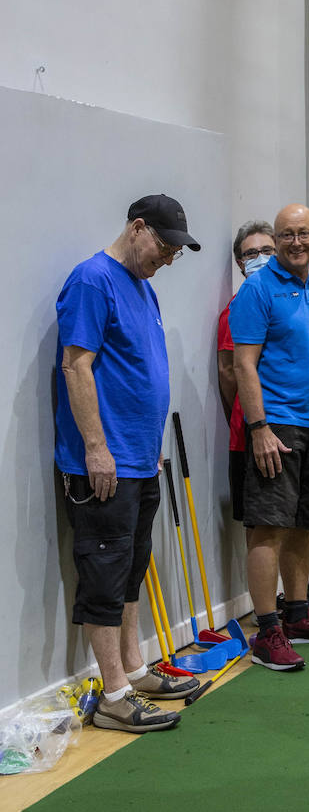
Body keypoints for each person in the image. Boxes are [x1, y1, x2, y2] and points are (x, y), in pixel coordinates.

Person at [55, 194, 202, 731]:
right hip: (103, 463)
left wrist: (149, 445)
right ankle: (113, 696)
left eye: (175, 253)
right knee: (104, 572)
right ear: (137, 228)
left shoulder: (142, 289)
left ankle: (135, 670)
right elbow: (77, 366)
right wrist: (96, 446)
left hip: (141, 460)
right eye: (164, 246)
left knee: (131, 571)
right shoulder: (92, 281)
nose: (167, 259)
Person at [230, 204, 309, 669]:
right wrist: (258, 427)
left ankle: (300, 613)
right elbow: (244, 363)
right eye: (287, 235)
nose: (296, 242)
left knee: (306, 523)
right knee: (269, 527)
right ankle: (267, 631)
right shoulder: (257, 290)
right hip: (278, 426)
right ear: (277, 240)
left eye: (304, 234)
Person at [217, 220, 276, 525]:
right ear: (240, 263)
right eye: (252, 253)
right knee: (262, 525)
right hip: (252, 433)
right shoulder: (237, 308)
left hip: (293, 425)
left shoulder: (288, 300)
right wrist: (245, 416)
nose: (261, 258)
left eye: (267, 250)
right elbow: (229, 373)